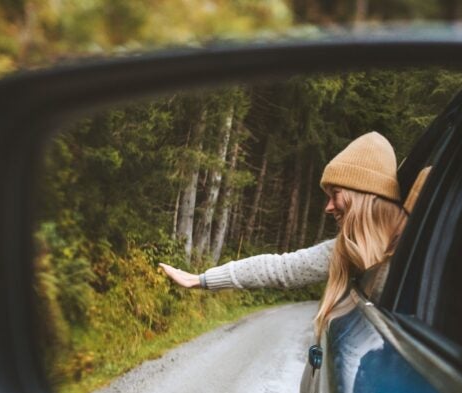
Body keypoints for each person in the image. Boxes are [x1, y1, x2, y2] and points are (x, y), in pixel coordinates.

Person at [160, 131, 409, 337]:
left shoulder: (410, 251)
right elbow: (280, 268)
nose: (328, 207)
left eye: (336, 194)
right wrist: (201, 279)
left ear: (361, 194)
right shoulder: (345, 249)